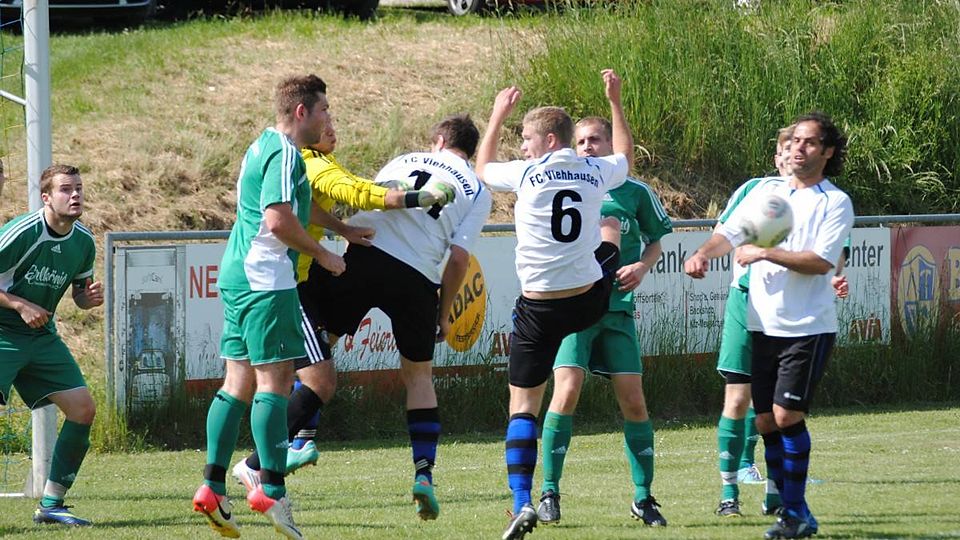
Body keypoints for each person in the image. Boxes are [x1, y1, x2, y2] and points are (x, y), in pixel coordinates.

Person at [230, 119, 456, 482]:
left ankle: (254, 463)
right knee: (313, 380)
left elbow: (309, 206)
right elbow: (351, 191)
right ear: (304, 118)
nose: (331, 127)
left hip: (288, 279)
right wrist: (414, 198)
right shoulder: (310, 161)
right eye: (324, 118)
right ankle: (258, 465)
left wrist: (343, 229)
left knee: (259, 379)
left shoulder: (305, 161)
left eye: (333, 119)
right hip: (285, 284)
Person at [296, 114, 491, 521]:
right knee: (418, 378)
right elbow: (458, 259)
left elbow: (370, 199)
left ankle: (303, 438)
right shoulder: (476, 188)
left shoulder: (404, 159)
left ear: (438, 141)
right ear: (469, 152)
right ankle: (424, 475)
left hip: (366, 253)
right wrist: (444, 313)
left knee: (322, 344)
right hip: (416, 274)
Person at [474, 69, 632, 540]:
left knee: (523, 407)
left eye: (525, 139)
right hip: (587, 301)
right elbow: (624, 156)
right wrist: (615, 101)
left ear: (547, 140)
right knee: (608, 239)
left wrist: (496, 115)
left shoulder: (527, 173)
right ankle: (609, 261)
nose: (522, 147)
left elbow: (483, 168)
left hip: (539, 308)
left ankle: (522, 502)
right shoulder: (592, 169)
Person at [685, 112, 854, 539]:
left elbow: (821, 262)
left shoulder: (834, 201)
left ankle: (795, 512)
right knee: (764, 421)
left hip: (806, 326)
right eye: (794, 141)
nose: (798, 148)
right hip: (761, 323)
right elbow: (730, 234)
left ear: (827, 152)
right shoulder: (771, 195)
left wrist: (764, 252)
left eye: (809, 142)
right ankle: (792, 511)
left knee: (786, 414)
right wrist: (704, 253)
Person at [192, 74, 345, 540]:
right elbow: (279, 221)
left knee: (236, 382)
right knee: (274, 383)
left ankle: (212, 487)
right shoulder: (285, 151)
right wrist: (323, 253)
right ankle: (272, 488)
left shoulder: (261, 145)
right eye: (323, 109)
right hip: (266, 279)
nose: (327, 117)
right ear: (301, 112)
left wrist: (342, 228)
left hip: (238, 274)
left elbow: (291, 204)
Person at [534, 116, 671, 527]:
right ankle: (549, 492)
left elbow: (656, 242)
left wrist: (641, 266)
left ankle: (644, 498)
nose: (587, 147)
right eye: (580, 141)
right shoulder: (567, 184)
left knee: (634, 401)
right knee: (566, 391)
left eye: (595, 139)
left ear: (612, 144)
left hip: (617, 309)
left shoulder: (634, 191)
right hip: (574, 307)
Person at [0, 164, 101, 527]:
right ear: (46, 197)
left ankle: (52, 504)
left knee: (82, 409)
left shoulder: (84, 241)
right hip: (2, 332)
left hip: (41, 337)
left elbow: (79, 295)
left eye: (78, 188)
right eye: (65, 189)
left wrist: (88, 298)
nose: (75, 195)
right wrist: (19, 304)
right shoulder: (21, 233)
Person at [713, 125, 795, 519]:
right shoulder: (755, 190)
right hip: (745, 302)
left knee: (779, 407)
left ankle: (775, 491)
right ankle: (729, 493)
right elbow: (723, 232)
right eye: (786, 148)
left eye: (802, 146)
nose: (792, 155)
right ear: (777, 157)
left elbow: (832, 252)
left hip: (790, 307)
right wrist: (708, 252)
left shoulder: (820, 198)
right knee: (737, 398)